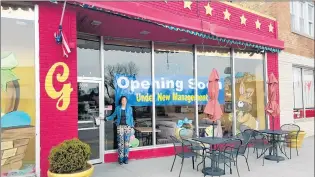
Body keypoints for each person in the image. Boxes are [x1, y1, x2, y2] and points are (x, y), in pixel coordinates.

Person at [104, 96, 134, 165]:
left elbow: (131, 117)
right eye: (122, 100)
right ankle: (120, 158)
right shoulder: (118, 108)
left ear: (126, 101)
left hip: (127, 126)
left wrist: (132, 126)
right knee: (120, 143)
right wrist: (107, 118)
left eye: (125, 100)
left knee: (126, 143)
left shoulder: (129, 108)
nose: (124, 101)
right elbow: (113, 115)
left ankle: (126, 158)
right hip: (120, 127)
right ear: (121, 101)